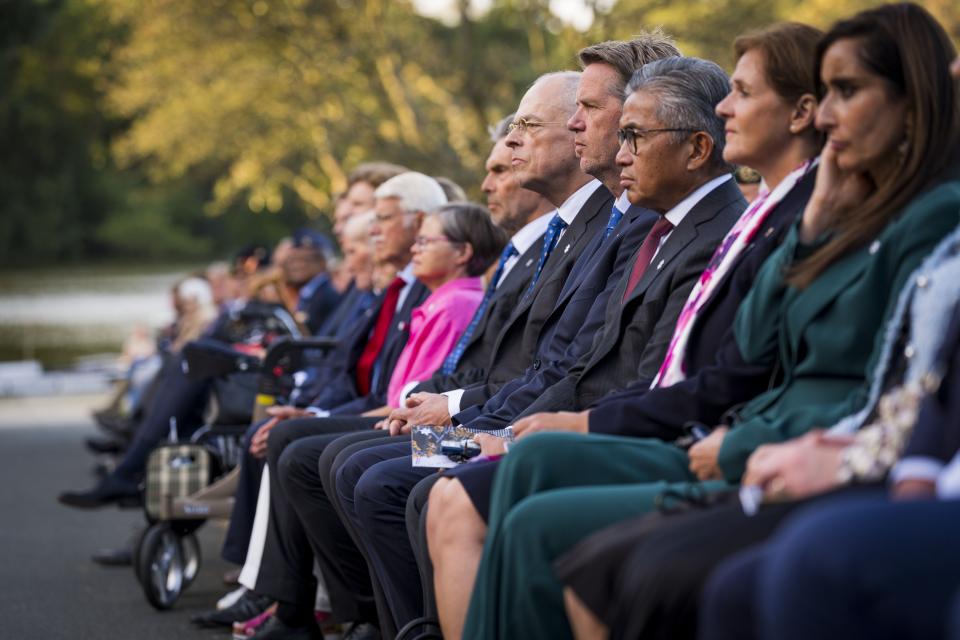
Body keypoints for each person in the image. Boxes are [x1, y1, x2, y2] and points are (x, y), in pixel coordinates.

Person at [460, 5, 960, 636]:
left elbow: (852, 379)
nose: (726, 107)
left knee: (546, 518)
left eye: (848, 91)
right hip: (742, 432)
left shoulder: (905, 216)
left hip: (761, 441)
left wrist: (734, 442)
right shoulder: (801, 217)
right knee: (486, 473)